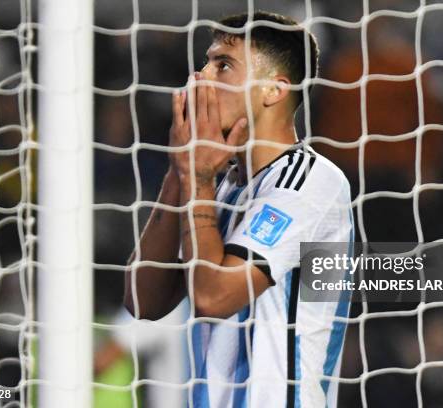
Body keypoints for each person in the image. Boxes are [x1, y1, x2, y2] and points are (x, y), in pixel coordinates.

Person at [124, 11, 354, 408]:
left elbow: (214, 297)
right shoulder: (222, 182)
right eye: (205, 62)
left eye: (223, 65)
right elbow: (143, 301)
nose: (201, 77)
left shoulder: (310, 181)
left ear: (273, 90)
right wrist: (181, 172)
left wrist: (196, 175)